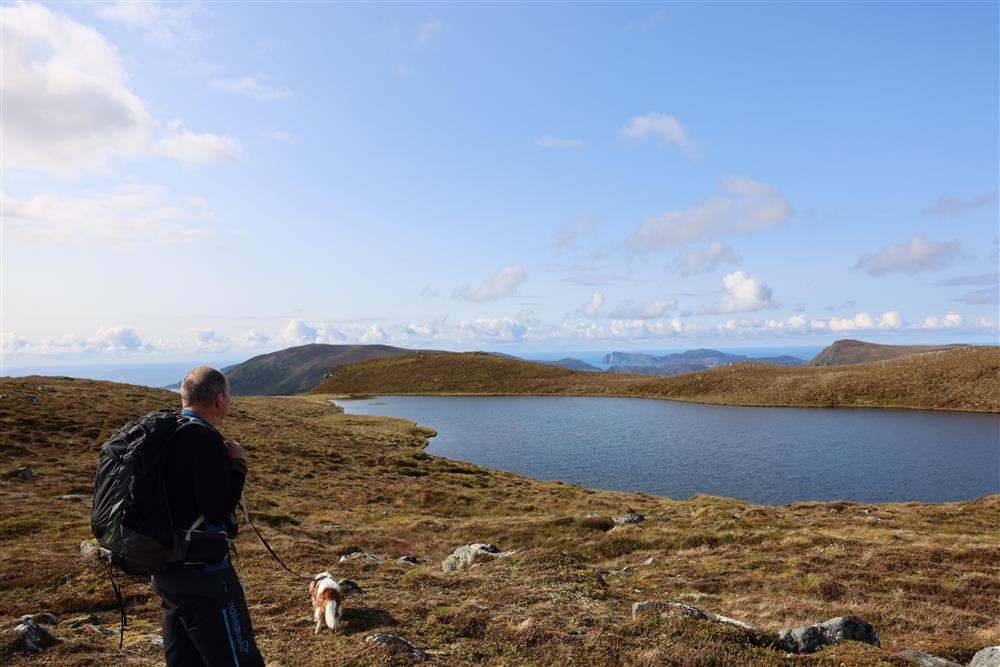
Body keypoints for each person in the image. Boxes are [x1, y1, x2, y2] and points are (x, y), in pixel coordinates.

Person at [152, 367, 265, 667]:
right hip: (206, 576)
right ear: (218, 399)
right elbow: (217, 509)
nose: (230, 400)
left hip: (167, 569)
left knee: (185, 660)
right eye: (228, 394)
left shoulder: (166, 433)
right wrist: (238, 465)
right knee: (240, 659)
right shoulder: (204, 439)